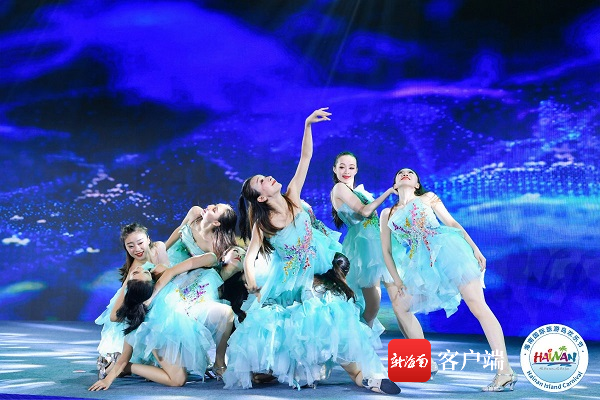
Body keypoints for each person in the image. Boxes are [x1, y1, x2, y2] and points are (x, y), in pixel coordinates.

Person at [224, 108, 399, 394]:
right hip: (289, 282)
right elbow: (251, 255)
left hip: (316, 269)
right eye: (262, 181)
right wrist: (252, 282)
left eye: (265, 176)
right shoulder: (263, 224)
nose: (269, 177)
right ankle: (286, 370)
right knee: (297, 327)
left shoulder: (293, 197)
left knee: (333, 314)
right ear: (261, 197)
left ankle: (365, 376)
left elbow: (305, 157)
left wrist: (307, 125)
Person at [380, 168, 516, 392]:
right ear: (395, 185)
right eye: (401, 173)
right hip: (423, 266)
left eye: (411, 173)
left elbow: (452, 224)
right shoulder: (387, 213)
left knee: (478, 306)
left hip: (449, 252)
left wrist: (475, 249)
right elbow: (386, 251)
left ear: (416, 184)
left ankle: (505, 371)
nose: (406, 174)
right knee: (400, 305)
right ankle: (426, 362)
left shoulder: (428, 197)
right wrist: (398, 281)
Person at [89, 252, 219, 391]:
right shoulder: (140, 314)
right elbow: (117, 326)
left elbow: (211, 257)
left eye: (144, 271)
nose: (139, 268)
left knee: (180, 375)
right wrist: (108, 380)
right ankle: (129, 367)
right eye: (136, 272)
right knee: (178, 380)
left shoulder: (161, 274)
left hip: (180, 322)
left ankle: (131, 366)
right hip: (160, 331)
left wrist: (159, 282)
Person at [330, 151, 396, 328]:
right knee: (372, 305)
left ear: (356, 170)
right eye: (342, 167)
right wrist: (389, 191)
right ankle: (360, 338)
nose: (346, 171)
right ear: (334, 169)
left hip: (374, 241)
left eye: (351, 167)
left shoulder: (357, 191)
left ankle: (365, 338)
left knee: (382, 302)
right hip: (364, 245)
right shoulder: (339, 188)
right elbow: (365, 211)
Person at [95, 223, 169, 377]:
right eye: (130, 246)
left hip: (163, 296)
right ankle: (113, 364)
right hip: (143, 305)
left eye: (140, 243)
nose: (137, 249)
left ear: (148, 239)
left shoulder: (159, 247)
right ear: (126, 248)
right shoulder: (134, 271)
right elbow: (114, 316)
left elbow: (167, 273)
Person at [165, 203, 238, 264]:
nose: (209, 206)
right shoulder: (194, 212)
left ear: (216, 223)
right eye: (214, 205)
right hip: (173, 252)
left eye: (214, 210)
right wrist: (163, 249)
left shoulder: (214, 245)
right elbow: (179, 230)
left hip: (189, 268)